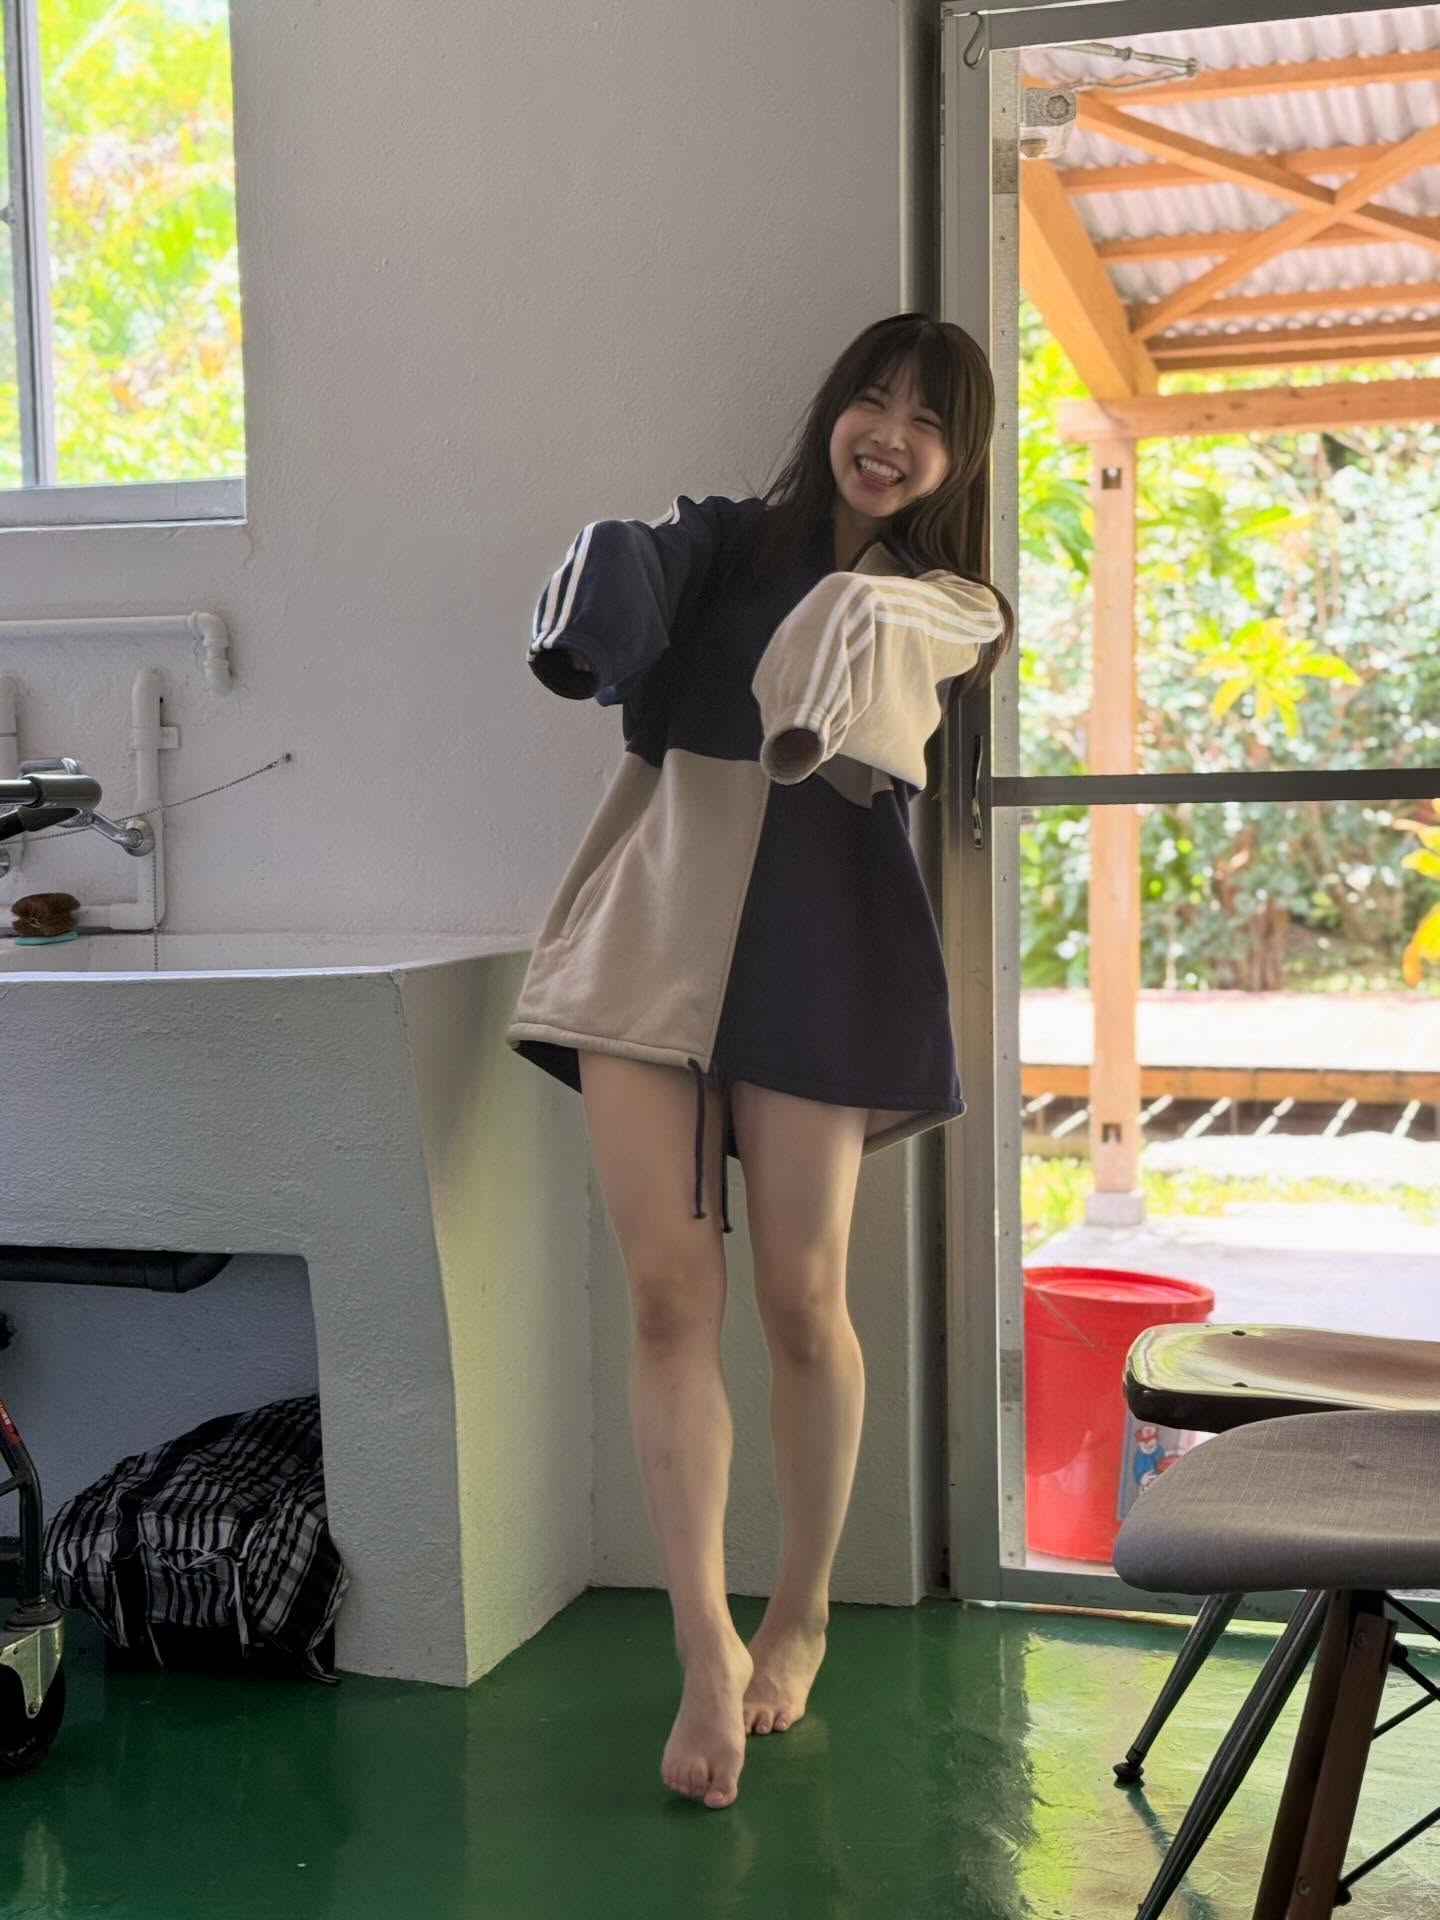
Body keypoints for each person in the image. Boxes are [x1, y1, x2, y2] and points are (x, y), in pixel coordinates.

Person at [507, 312, 1015, 1811]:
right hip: (649, 948)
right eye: (873, 399)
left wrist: (843, 621)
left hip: (821, 967)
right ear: (832, 408)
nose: (891, 436)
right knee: (671, 1301)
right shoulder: (722, 541)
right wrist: (605, 584)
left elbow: (895, 645)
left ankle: (801, 1613)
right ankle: (703, 1647)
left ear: (960, 459)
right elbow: (627, 577)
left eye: (930, 421)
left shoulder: (953, 602)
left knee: (801, 1299)